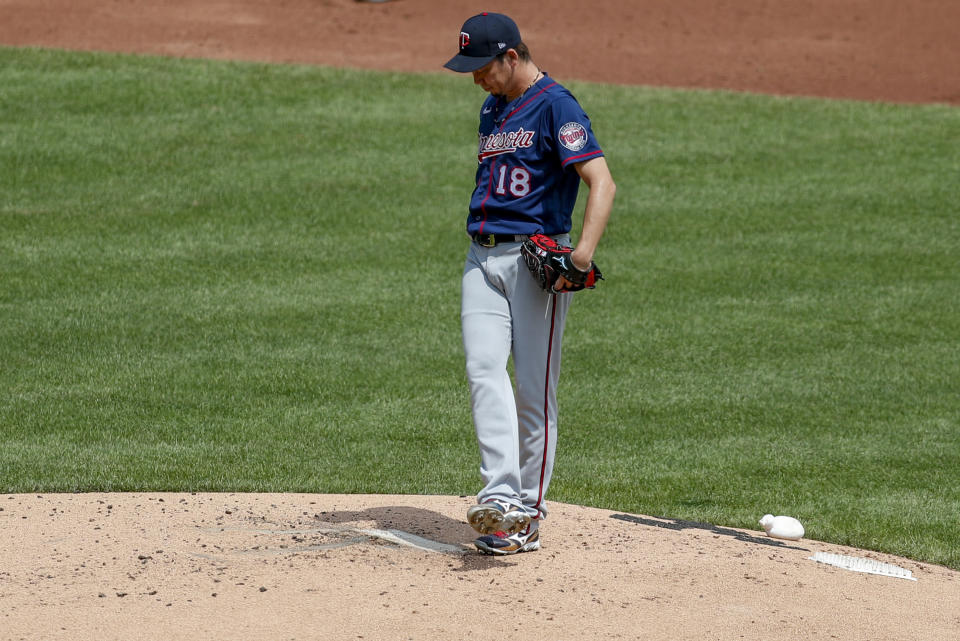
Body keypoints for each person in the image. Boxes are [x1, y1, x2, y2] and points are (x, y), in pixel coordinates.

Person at [443, 12, 616, 555]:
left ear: (511, 56)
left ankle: (528, 510)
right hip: (481, 257)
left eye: (482, 67)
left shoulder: (557, 105)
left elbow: (601, 182)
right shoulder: (492, 107)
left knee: (533, 391)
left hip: (531, 264)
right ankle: (498, 498)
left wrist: (582, 256)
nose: (476, 78)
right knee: (482, 370)